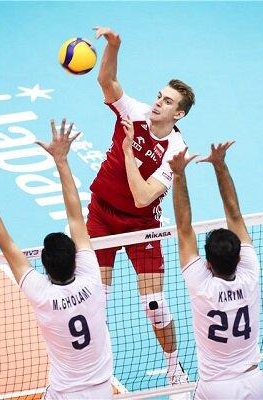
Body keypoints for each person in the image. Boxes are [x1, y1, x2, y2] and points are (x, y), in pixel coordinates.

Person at [0, 119, 113, 399]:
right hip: (102, 391)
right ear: (76, 260)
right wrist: (61, 160)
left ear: (45, 269)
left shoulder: (41, 294)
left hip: (64, 394)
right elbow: (76, 218)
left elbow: (5, 242)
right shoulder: (91, 276)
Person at [90, 25, 195, 387]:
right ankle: (96, 372)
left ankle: (174, 369)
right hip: (102, 215)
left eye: (167, 102)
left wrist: (126, 153)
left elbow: (142, 198)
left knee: (155, 305)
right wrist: (114, 46)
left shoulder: (176, 150)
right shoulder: (132, 111)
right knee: (96, 301)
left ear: (178, 115)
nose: (157, 103)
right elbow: (106, 81)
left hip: (141, 226)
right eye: (159, 96)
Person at [168, 142, 263, 399]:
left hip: (216, 387)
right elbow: (235, 215)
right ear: (239, 257)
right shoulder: (250, 273)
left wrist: (178, 174)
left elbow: (184, 228)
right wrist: (220, 165)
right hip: (254, 382)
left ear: (208, 264)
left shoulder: (202, 285)